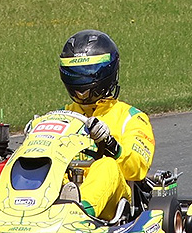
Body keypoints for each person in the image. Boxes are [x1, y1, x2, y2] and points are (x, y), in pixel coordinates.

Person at [53, 30, 155, 222]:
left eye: (86, 74)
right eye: (76, 75)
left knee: (106, 165)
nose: (81, 84)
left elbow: (138, 169)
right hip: (65, 189)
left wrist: (110, 144)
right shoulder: (60, 116)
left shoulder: (131, 118)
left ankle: (78, 214)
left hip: (115, 198)